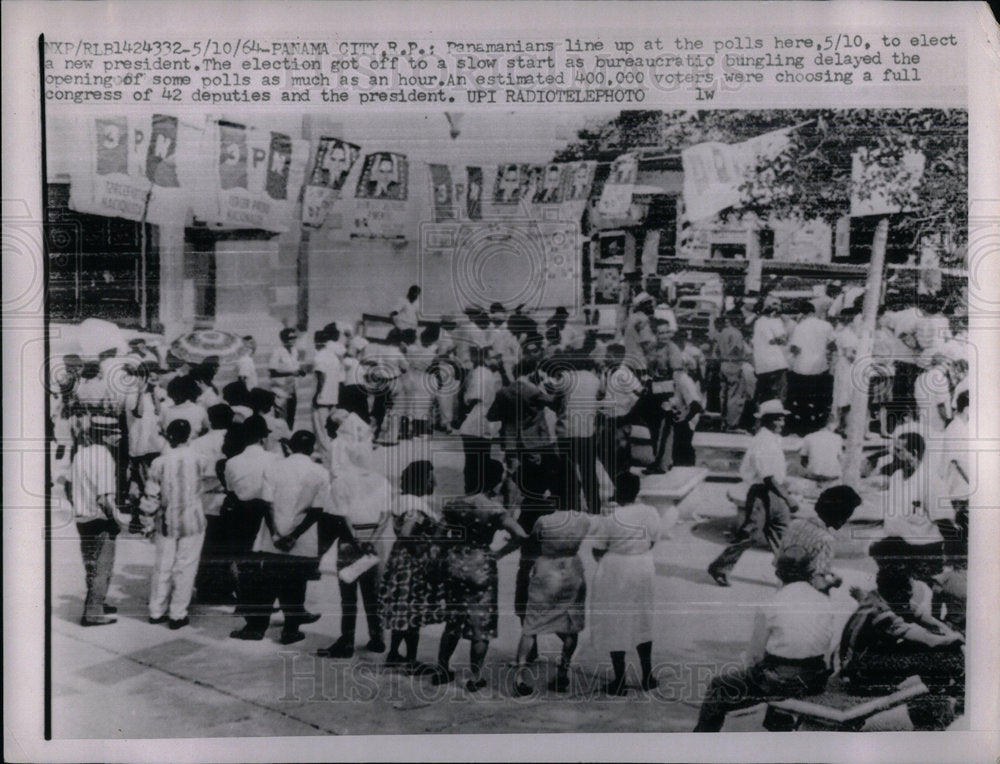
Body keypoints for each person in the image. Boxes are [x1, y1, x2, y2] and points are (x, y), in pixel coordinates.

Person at [693, 546, 835, 731]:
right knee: (775, 676)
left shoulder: (772, 605)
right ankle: (779, 724)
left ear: (779, 574)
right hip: (815, 678)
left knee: (720, 687)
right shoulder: (824, 602)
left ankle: (701, 744)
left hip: (780, 680)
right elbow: (824, 643)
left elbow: (755, 657)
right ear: (810, 573)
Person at [838, 536, 965, 730]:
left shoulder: (886, 596)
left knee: (933, 652)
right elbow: (911, 632)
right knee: (929, 653)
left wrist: (949, 633)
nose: (909, 598)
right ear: (895, 595)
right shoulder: (879, 610)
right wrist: (948, 641)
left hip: (866, 662)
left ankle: (938, 703)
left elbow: (924, 617)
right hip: (859, 674)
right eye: (906, 595)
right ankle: (939, 707)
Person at [431, 459, 528, 691]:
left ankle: (442, 668)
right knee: (480, 625)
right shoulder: (494, 509)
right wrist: (500, 553)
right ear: (494, 482)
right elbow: (521, 535)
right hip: (482, 564)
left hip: (456, 563)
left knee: (452, 621)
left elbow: (438, 537)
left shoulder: (454, 505)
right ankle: (475, 676)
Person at [230, 431, 330, 643]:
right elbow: (317, 510)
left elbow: (266, 504)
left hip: (273, 537)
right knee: (296, 583)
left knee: (267, 582)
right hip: (302, 538)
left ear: (290, 447)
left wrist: (276, 532)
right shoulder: (320, 473)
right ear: (312, 449)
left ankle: (256, 628)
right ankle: (290, 631)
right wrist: (294, 536)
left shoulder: (274, 467)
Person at [318, 411, 390, 658]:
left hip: (351, 540)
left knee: (348, 595)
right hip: (375, 539)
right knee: (374, 593)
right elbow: (386, 515)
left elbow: (342, 514)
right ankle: (377, 637)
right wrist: (371, 539)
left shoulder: (342, 482)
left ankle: (346, 640)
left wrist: (356, 538)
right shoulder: (382, 481)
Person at [707, 400, 799, 587]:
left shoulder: (773, 439)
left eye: (782, 419)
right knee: (750, 534)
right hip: (762, 493)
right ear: (766, 420)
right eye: (778, 419)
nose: (782, 423)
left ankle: (788, 575)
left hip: (775, 493)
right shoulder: (762, 442)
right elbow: (767, 477)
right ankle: (720, 567)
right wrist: (788, 498)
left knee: (783, 534)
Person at [589, 471, 661, 695]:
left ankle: (619, 679)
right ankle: (647, 674)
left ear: (617, 491)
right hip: (642, 566)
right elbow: (653, 539)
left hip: (616, 569)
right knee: (642, 618)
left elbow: (598, 548)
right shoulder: (650, 512)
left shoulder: (611, 518)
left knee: (615, 621)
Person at [512, 509, 591, 696]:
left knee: (531, 625)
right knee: (571, 623)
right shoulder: (584, 519)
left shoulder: (544, 520)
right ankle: (563, 672)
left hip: (547, 569)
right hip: (573, 568)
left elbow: (531, 540)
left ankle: (520, 676)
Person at [379, 461, 446, 672]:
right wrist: (421, 552)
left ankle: (393, 653)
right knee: (413, 611)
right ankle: (410, 661)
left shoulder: (402, 500)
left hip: (399, 559)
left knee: (402, 609)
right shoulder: (415, 505)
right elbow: (408, 532)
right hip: (412, 563)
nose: (434, 481)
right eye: (430, 477)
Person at [143, 420, 209, 630]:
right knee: (186, 567)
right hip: (193, 521)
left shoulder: (159, 463)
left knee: (162, 566)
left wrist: (146, 521)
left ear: (168, 436)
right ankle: (178, 614)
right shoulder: (201, 460)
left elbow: (151, 496)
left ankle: (156, 610)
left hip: (166, 521)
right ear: (189, 436)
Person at [66, 428, 129, 625]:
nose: (118, 437)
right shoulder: (104, 456)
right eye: (113, 433)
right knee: (103, 568)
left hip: (82, 518)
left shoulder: (79, 454)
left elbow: (68, 486)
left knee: (91, 565)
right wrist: (114, 521)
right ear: (103, 436)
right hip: (100, 519)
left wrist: (78, 504)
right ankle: (93, 612)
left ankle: (97, 602)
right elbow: (104, 498)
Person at [223, 415, 280, 628]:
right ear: (264, 437)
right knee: (266, 567)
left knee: (246, 566)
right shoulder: (273, 459)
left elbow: (232, 491)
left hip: (240, 516)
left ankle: (250, 614)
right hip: (267, 515)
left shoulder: (232, 462)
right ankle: (263, 612)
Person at [775, 485, 861, 593]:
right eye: (847, 515)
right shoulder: (825, 540)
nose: (846, 520)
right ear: (839, 514)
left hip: (783, 591)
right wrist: (834, 582)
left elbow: (777, 562)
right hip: (805, 597)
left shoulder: (794, 525)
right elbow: (819, 583)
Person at [191, 404, 236, 604]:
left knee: (206, 546)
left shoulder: (197, 443)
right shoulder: (235, 439)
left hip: (204, 498)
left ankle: (204, 587)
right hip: (226, 498)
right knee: (225, 546)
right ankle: (224, 588)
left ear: (210, 419)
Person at [551, 352, 603, 514]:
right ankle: (594, 507)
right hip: (587, 430)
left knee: (568, 471)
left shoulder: (566, 378)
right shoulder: (595, 379)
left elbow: (555, 402)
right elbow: (600, 396)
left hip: (567, 430)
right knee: (589, 470)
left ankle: (572, 506)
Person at [786, 301, 835, 436]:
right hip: (820, 366)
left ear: (802, 313)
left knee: (802, 398)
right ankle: (818, 425)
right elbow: (832, 345)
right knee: (819, 398)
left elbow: (795, 348)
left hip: (801, 367)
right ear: (814, 312)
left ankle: (803, 426)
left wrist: (789, 360)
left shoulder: (800, 327)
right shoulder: (826, 325)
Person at [458, 345, 499, 495]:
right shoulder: (482, 374)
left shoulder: (485, 373)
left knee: (478, 462)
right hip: (477, 422)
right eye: (491, 357)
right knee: (475, 462)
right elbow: (474, 397)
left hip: (482, 422)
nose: (495, 360)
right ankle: (474, 493)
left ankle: (477, 492)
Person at [312, 327, 344, 458]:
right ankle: (331, 453)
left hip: (322, 398)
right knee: (330, 429)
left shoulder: (319, 357)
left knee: (321, 429)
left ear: (316, 341)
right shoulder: (334, 357)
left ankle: (326, 455)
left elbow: (321, 378)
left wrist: (317, 395)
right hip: (333, 397)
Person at [751, 295, 789, 404]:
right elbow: (777, 340)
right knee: (780, 390)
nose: (778, 307)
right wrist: (782, 339)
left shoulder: (761, 322)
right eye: (775, 304)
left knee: (764, 391)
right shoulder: (769, 321)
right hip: (774, 363)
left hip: (764, 364)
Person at [718, 311, 750, 431]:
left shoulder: (723, 332)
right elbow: (737, 349)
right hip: (733, 364)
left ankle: (723, 421)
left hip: (723, 363)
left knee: (724, 395)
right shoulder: (736, 333)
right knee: (735, 395)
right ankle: (732, 424)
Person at [670, 354, 704, 468]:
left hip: (683, 422)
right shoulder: (677, 377)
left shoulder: (682, 379)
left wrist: (683, 420)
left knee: (682, 454)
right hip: (679, 418)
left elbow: (695, 405)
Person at [269, 327, 305, 430]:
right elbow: (273, 371)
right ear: (284, 339)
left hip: (292, 388)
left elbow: (295, 367)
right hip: (280, 389)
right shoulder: (277, 352)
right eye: (291, 338)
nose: (294, 340)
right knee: (280, 417)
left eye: (295, 337)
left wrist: (300, 372)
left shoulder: (294, 351)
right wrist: (291, 372)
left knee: (291, 415)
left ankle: (289, 437)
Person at [798, 413, 844, 483]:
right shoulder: (837, 438)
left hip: (813, 474)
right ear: (831, 424)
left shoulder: (809, 437)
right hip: (832, 475)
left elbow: (803, 461)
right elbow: (839, 458)